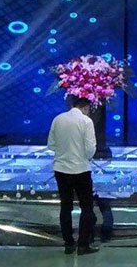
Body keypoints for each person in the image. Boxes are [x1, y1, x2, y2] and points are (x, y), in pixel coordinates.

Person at [50, 96, 99, 255]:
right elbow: (90, 149)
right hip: (81, 170)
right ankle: (83, 245)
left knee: (65, 206)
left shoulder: (58, 119)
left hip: (61, 169)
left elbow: (51, 144)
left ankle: (68, 243)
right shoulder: (86, 122)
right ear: (86, 107)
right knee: (86, 207)